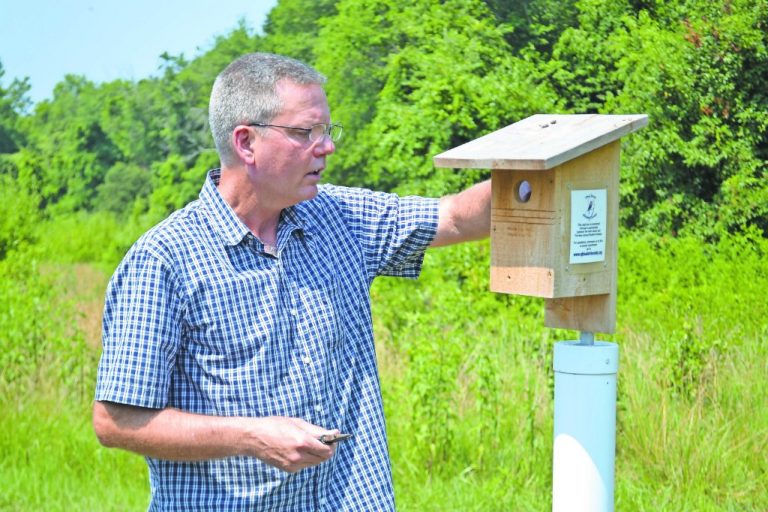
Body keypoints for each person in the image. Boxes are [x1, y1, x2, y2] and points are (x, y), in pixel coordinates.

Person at [93, 52, 491, 511]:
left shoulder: (340, 217)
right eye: (305, 133)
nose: (326, 147)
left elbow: (455, 218)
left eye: (327, 130)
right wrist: (252, 436)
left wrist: (543, 178)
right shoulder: (164, 261)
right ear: (246, 142)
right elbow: (115, 420)